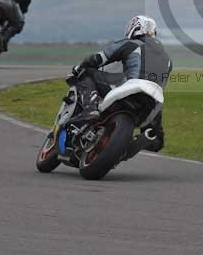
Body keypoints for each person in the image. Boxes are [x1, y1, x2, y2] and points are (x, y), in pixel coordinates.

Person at [71, 15, 172, 160]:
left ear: (134, 28)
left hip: (132, 86)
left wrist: (80, 66)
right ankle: (147, 138)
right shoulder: (168, 59)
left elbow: (98, 58)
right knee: (156, 139)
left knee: (86, 72)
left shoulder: (131, 43)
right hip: (153, 100)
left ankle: (90, 108)